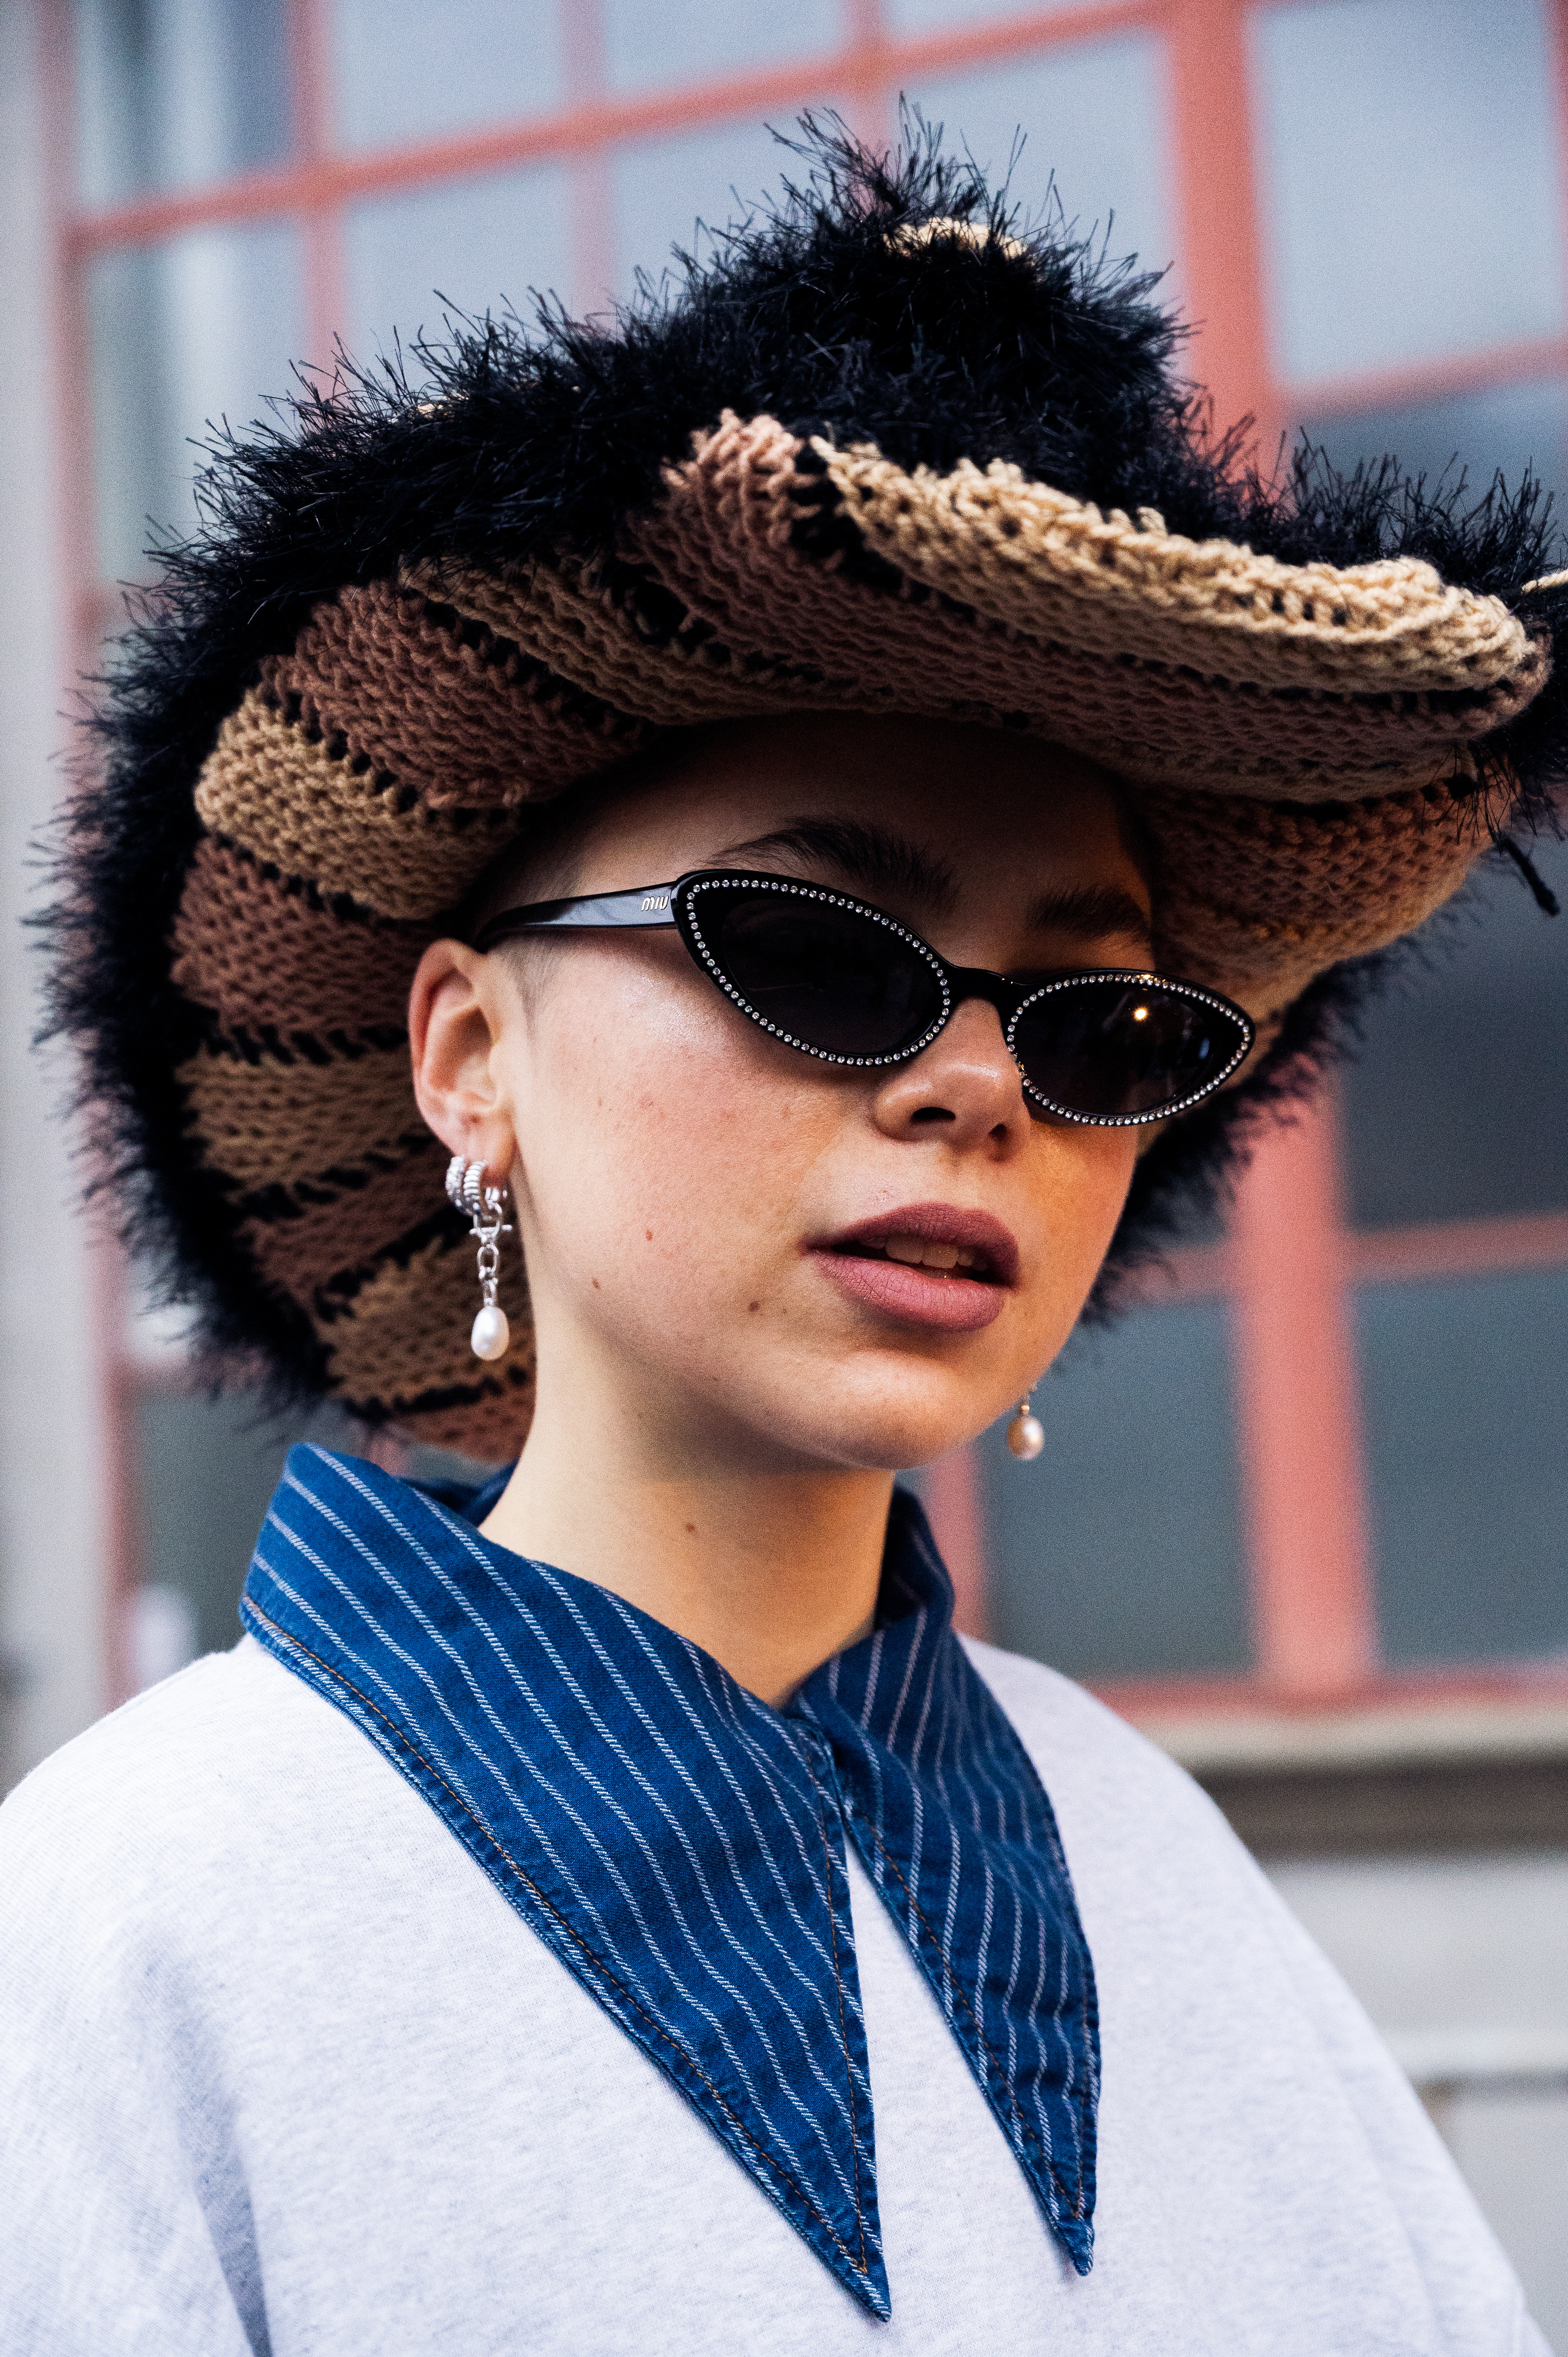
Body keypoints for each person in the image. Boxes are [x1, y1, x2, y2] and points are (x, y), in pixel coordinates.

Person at [2, 130, 1559, 2354]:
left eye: (1099, 1018)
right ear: (468, 1052)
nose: (977, 1084)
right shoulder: (119, 1928)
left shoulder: (1135, 1845)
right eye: (817, 953)